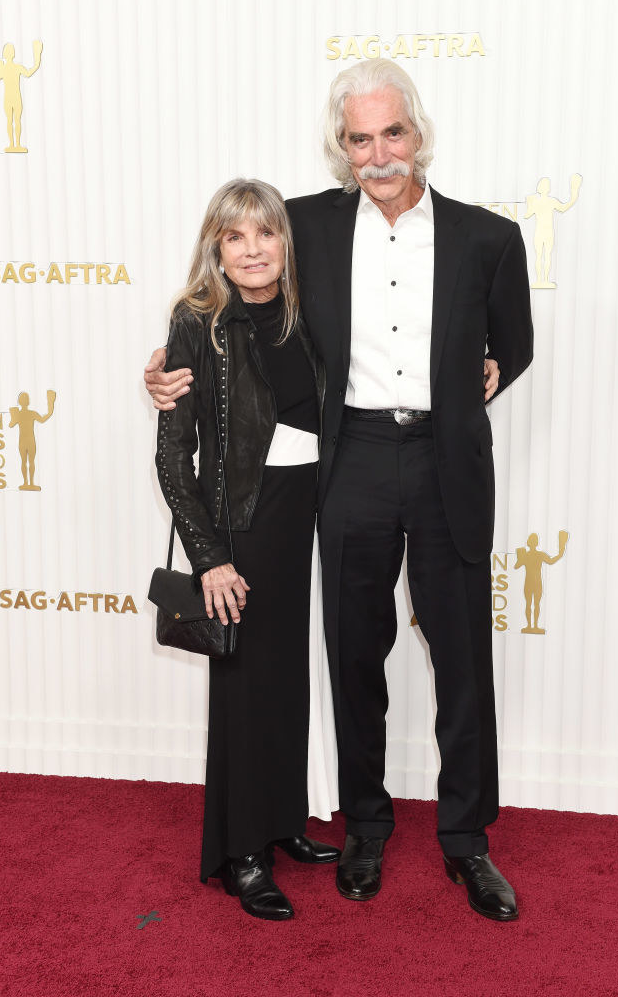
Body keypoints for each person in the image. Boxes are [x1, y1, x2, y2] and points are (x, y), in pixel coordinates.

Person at [146, 59, 532, 922]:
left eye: (391, 132)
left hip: (446, 464)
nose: (378, 152)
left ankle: (467, 843)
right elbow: (232, 308)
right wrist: (170, 369)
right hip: (348, 459)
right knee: (354, 653)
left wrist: (490, 371)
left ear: (417, 133)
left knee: (463, 657)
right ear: (342, 149)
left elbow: (515, 343)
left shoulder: (487, 237)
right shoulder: (306, 227)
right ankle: (364, 824)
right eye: (359, 139)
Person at [154, 178, 339, 922]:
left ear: (283, 242)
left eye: (265, 233)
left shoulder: (308, 310)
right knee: (244, 686)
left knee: (285, 674)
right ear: (217, 248)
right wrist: (210, 559)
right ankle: (243, 854)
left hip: (305, 514)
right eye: (236, 236)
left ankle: (280, 819)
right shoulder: (197, 320)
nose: (253, 249)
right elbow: (174, 458)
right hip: (239, 523)